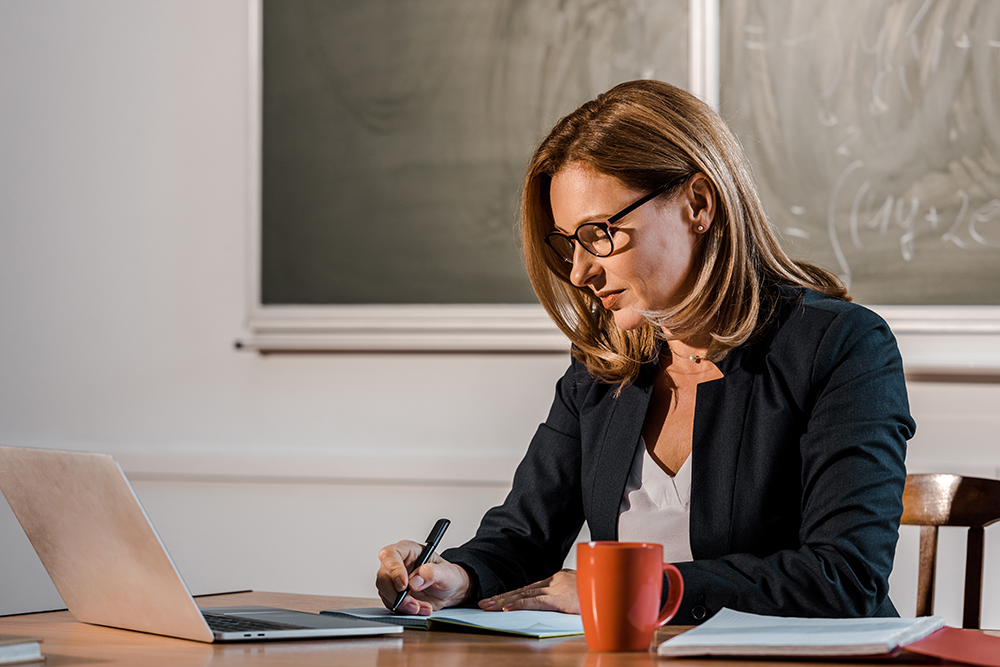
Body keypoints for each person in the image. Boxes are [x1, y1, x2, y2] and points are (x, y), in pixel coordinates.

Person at [375, 79, 915, 624]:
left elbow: (846, 577)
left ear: (698, 204)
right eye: (568, 243)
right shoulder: (601, 367)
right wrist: (455, 576)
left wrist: (633, 588)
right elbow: (524, 538)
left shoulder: (841, 346)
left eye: (599, 233)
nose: (580, 271)